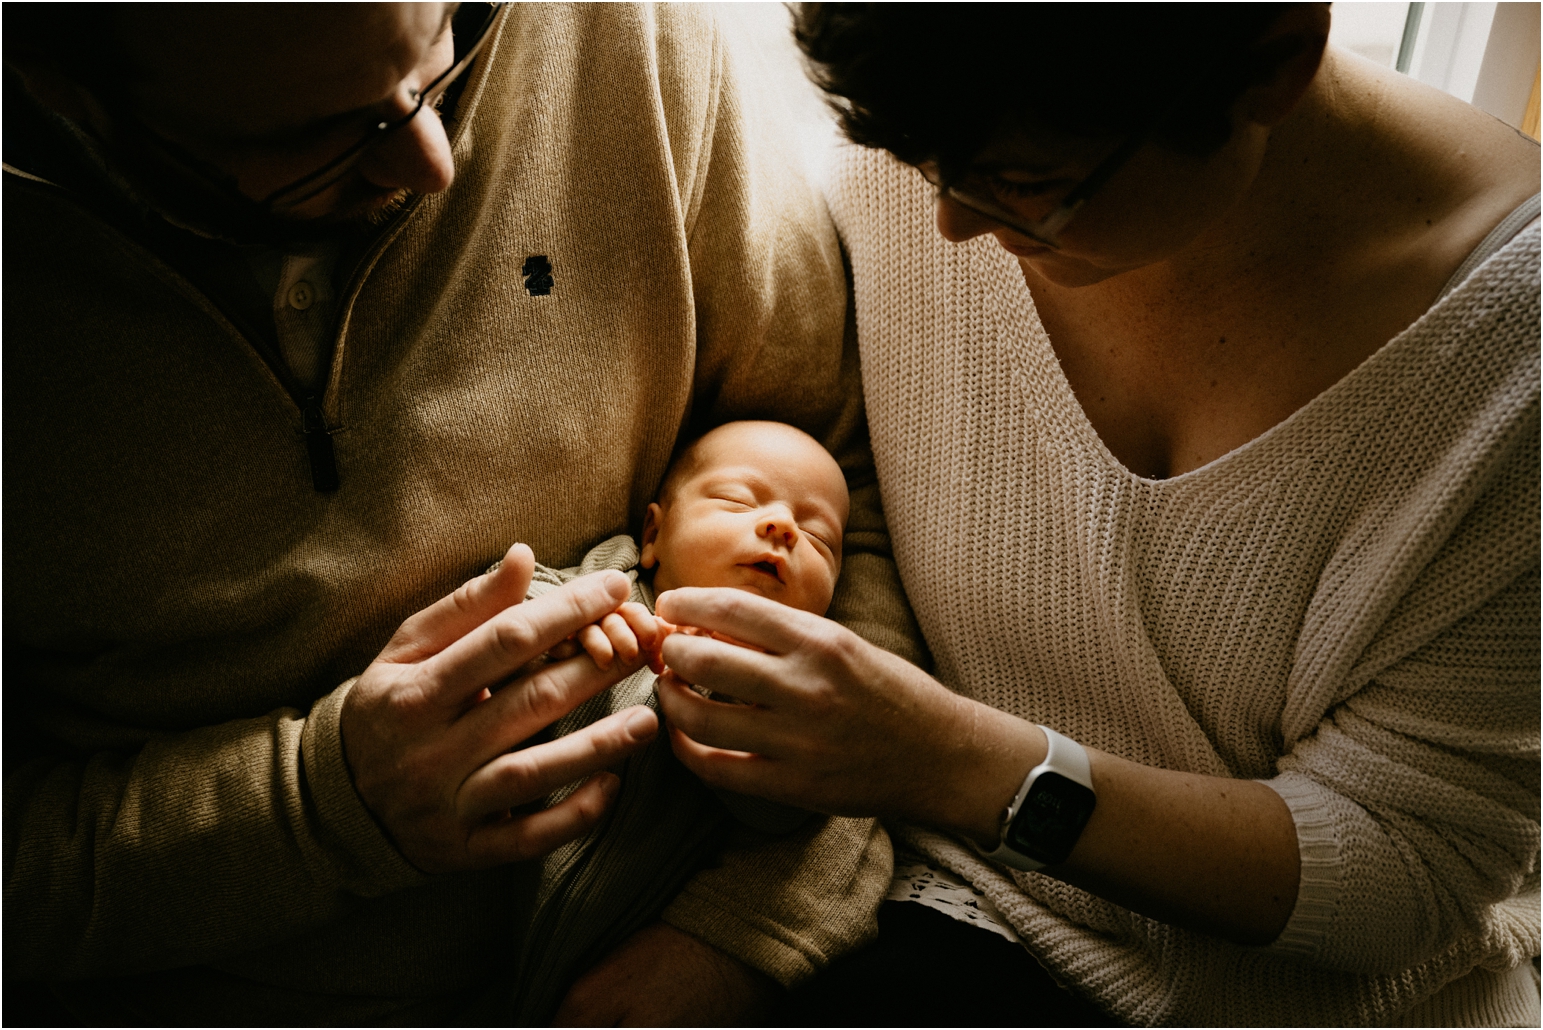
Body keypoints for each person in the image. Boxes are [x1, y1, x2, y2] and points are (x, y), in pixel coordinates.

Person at [2, 4, 925, 1024]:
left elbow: (853, 483)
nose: (432, 160)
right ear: (56, 91)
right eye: (316, 138)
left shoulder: (625, 35)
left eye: (448, 43)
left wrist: (746, 934)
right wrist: (320, 808)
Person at [654, 3, 1540, 1025]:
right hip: (945, 920)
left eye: (1029, 186)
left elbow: (1404, 870)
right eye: (915, 159)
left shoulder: (1509, 361)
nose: (950, 223)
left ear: (1276, 61)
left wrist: (948, 762)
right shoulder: (926, 145)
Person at [528, 419, 849, 837]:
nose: (784, 526)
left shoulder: (794, 692)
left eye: (817, 536)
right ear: (653, 534)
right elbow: (508, 603)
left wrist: (738, 691)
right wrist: (564, 624)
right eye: (737, 500)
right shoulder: (606, 585)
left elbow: (787, 813)